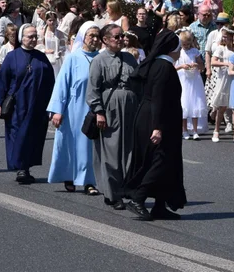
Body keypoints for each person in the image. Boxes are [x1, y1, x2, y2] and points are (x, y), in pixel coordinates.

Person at [124, 29, 187, 221]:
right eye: (178, 47)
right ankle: (138, 198)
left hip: (157, 118)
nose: (180, 50)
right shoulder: (163, 67)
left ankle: (160, 205)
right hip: (157, 120)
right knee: (161, 160)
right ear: (171, 49)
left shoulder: (158, 64)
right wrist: (157, 127)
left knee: (166, 162)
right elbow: (158, 98)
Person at [0, 25, 55, 184]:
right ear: (21, 38)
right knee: (17, 134)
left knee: (33, 136)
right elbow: (2, 81)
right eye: (29, 37)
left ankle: (26, 166)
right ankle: (20, 168)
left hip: (38, 104)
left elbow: (51, 82)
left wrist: (53, 106)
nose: (33, 40)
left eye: (35, 37)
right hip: (17, 105)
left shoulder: (41, 57)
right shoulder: (12, 57)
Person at [86, 23, 140, 209]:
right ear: (106, 40)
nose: (121, 39)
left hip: (131, 107)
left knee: (130, 151)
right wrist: (99, 112)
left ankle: (126, 189)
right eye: (116, 37)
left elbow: (139, 83)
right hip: (111, 109)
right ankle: (111, 193)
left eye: (122, 36)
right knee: (111, 152)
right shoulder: (99, 61)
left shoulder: (129, 59)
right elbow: (92, 90)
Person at [46, 24, 101, 194]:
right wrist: (57, 110)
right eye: (91, 35)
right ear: (83, 37)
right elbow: (62, 85)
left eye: (97, 36)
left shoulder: (101, 58)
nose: (94, 39)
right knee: (69, 144)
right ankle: (69, 175)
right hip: (73, 109)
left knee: (90, 147)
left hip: (93, 110)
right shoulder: (73, 58)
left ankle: (89, 182)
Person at [175, 30, 206, 140]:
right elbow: (172, 67)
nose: (186, 46)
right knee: (184, 104)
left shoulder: (195, 51)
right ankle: (184, 130)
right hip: (183, 80)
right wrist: (182, 66)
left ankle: (195, 130)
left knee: (195, 103)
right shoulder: (178, 52)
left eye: (188, 44)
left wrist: (196, 65)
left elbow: (202, 66)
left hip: (194, 80)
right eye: (184, 44)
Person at [207, 28, 234, 143]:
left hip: (233, 78)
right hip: (223, 78)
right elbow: (214, 62)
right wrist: (226, 63)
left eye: (226, 36)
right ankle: (216, 130)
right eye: (223, 36)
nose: (224, 38)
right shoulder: (221, 49)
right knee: (222, 106)